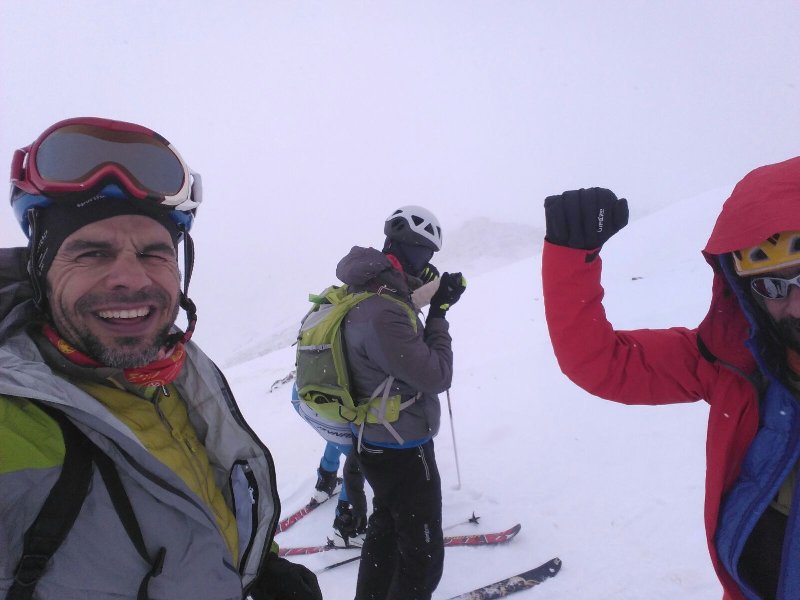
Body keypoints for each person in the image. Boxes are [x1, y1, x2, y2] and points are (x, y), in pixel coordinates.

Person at [0, 117, 321, 600]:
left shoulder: (173, 369)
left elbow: (201, 487)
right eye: (92, 253)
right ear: (41, 268)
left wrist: (258, 564)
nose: (132, 278)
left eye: (154, 253)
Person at [542, 157, 800, 600]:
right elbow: (602, 363)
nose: (795, 306)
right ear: (747, 294)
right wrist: (571, 257)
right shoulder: (735, 365)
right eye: (772, 287)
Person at [335, 205, 466, 600]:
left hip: (372, 438)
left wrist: (426, 293)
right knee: (422, 558)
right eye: (425, 255)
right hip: (403, 446)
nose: (427, 264)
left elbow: (390, 336)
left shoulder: (364, 290)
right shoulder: (384, 312)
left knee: (388, 527)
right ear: (411, 250)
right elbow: (437, 375)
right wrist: (440, 312)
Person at [290, 381, 369, 542]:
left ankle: (325, 483)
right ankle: (346, 525)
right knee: (360, 457)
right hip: (320, 402)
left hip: (303, 396)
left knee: (338, 434)